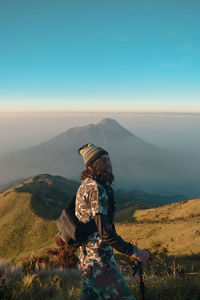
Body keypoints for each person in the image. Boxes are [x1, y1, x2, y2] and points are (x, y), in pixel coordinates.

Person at [75, 143, 149, 300]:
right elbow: (105, 233)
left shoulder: (84, 186)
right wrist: (134, 252)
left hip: (85, 263)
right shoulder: (96, 189)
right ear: (93, 164)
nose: (109, 164)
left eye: (109, 160)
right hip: (100, 264)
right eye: (104, 160)